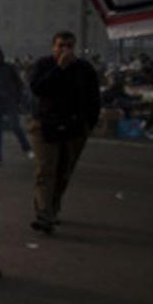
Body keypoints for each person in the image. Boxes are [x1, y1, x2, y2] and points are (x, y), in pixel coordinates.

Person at [27, 30, 101, 234]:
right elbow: (37, 88)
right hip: (45, 126)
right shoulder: (44, 65)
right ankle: (43, 214)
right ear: (54, 47)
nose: (65, 50)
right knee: (45, 171)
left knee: (64, 172)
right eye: (61, 46)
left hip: (73, 128)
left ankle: (52, 207)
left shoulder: (84, 69)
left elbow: (93, 98)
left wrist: (89, 125)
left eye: (69, 46)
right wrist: (59, 68)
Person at [0, 45, 32, 165]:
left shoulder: (8, 67)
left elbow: (19, 83)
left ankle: (27, 148)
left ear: (1, 56)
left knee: (15, 125)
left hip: (9, 100)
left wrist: (19, 99)